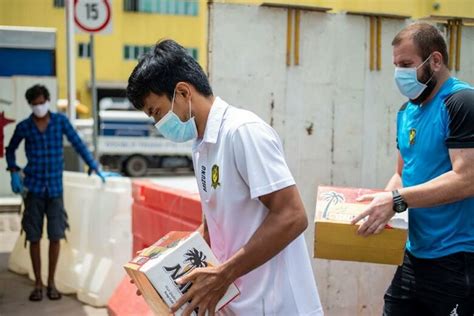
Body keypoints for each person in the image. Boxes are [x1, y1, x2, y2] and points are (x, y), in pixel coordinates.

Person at [127, 39, 323, 315]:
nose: (158, 124)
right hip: (240, 304)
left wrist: (224, 274)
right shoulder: (201, 146)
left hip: (279, 304)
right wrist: (161, 274)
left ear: (182, 92)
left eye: (157, 112)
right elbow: (212, 229)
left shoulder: (243, 132)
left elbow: (292, 216)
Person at [351, 23, 474, 315]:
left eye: (406, 64)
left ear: (435, 60)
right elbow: (402, 174)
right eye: (395, 65)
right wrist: (378, 204)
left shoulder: (461, 102)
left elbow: (467, 178)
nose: (399, 74)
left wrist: (396, 200)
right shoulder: (407, 112)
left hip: (457, 259)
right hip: (413, 256)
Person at [5, 84, 105, 302]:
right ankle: (38, 284)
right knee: (33, 236)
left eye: (42, 102)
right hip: (33, 188)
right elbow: (10, 149)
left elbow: (78, 143)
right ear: (30, 105)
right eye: (35, 104)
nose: (39, 106)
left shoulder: (60, 122)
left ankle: (51, 283)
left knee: (56, 235)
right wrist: (13, 170)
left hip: (55, 190)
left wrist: (94, 166)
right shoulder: (25, 127)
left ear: (48, 101)